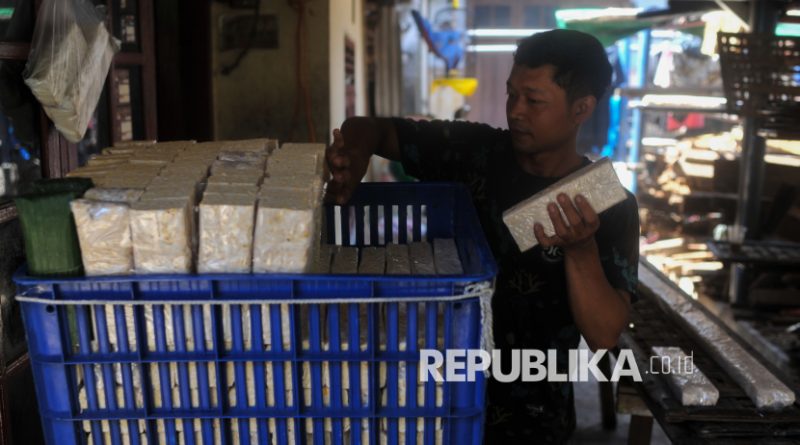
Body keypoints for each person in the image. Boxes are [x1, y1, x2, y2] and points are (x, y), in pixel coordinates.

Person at [326, 29, 639, 444]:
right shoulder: (475, 153)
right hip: (433, 394)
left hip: (532, 415)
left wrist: (580, 250)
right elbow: (375, 128)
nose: (516, 111)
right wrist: (355, 153)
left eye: (534, 100)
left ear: (582, 108)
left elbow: (604, 334)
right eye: (512, 94)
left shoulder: (607, 206)